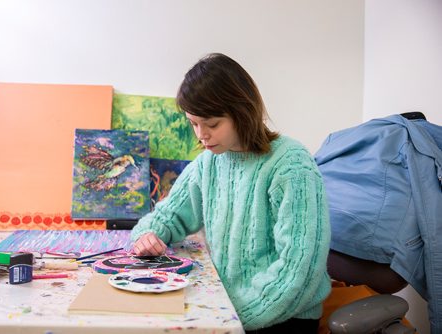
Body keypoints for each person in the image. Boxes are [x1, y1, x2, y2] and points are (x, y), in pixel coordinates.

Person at [131, 53, 331, 333]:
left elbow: (299, 272)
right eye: (193, 123)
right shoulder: (208, 163)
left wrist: (229, 319)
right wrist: (148, 236)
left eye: (212, 124)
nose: (201, 135)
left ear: (242, 112)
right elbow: (167, 216)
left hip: (284, 316)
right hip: (226, 307)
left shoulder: (290, 164)